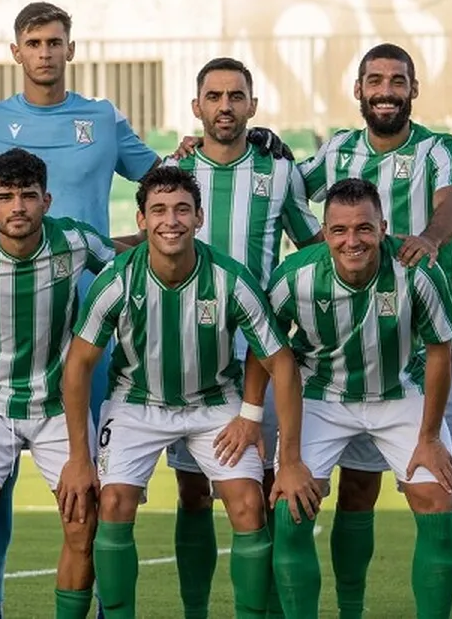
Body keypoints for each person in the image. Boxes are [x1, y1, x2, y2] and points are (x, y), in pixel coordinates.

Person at [185, 43, 452, 618]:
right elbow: (283, 180)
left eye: (397, 81)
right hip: (347, 354)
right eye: (375, 80)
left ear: (413, 89)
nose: (386, 91)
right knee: (353, 490)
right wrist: (240, 140)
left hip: (433, 342)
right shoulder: (337, 151)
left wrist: (428, 239)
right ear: (358, 90)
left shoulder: (439, 149)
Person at [0, 1, 159, 614]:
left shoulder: (103, 117)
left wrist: (230, 144)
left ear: (71, 48)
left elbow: (164, 185)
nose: (45, 52)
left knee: (91, 493)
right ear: (16, 52)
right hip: (4, 339)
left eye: (54, 41)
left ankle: (103, 608)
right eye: (34, 42)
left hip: (94, 333)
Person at [57, 165, 319, 619]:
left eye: (182, 210)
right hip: (136, 402)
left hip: (214, 403)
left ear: (199, 217)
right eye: (158, 210)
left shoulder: (230, 278)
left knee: (249, 504)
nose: (171, 220)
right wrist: (79, 458)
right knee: (113, 503)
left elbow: (281, 363)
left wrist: (284, 453)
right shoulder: (118, 279)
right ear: (142, 221)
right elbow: (77, 365)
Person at [0, 148, 126, 619]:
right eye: (5, 197)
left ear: (47, 200)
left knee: (83, 525)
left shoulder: (75, 241)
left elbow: (127, 270)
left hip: (58, 407)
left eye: (28, 195)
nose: (17, 207)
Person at [162, 57, 322, 619]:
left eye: (235, 96)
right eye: (214, 96)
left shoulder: (279, 172)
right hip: (192, 357)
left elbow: (312, 246)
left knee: (268, 485)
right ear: (196, 107)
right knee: (192, 492)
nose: (225, 106)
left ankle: (269, 610)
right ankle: (196, 612)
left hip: (260, 352)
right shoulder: (174, 169)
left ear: (253, 106)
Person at [266, 178, 452, 619]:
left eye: (364, 228)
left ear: (383, 228)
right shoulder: (294, 276)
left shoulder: (417, 271)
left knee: (438, 500)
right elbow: (268, 353)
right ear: (324, 232)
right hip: (320, 396)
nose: (351, 240)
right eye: (339, 230)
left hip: (399, 393)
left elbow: (441, 352)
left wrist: (430, 438)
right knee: (290, 507)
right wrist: (288, 457)